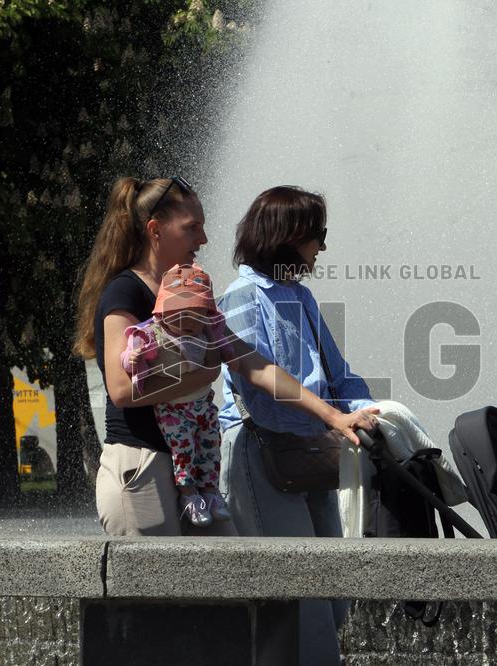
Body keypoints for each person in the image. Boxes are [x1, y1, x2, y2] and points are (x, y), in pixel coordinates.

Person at [73, 176, 378, 538]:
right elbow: (122, 389)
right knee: (159, 594)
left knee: (224, 587)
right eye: (192, 228)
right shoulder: (125, 291)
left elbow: (257, 366)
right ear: (155, 230)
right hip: (144, 465)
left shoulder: (190, 294)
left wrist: (335, 416)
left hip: (192, 471)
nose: (203, 239)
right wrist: (200, 375)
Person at [216, 185, 378, 665]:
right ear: (288, 237)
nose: (322, 249)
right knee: (302, 598)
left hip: (309, 453)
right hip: (262, 454)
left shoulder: (300, 297)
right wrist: (331, 414)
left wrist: (375, 412)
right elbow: (259, 376)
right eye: (318, 236)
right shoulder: (243, 295)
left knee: (334, 592)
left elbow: (337, 373)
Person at [119, 263, 234, 527]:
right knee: (183, 450)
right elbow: (128, 358)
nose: (190, 322)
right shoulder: (150, 334)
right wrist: (133, 359)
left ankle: (211, 493)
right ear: (164, 311)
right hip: (172, 409)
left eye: (197, 314)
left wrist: (230, 357)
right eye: (181, 314)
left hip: (203, 405)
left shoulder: (208, 330)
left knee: (211, 446)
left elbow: (223, 346)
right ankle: (189, 495)